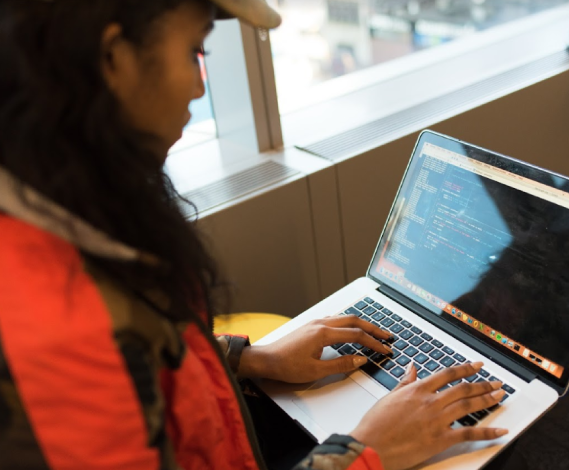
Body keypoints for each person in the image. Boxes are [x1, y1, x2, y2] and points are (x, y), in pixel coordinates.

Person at [0, 1, 510, 469]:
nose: (199, 87)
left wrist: (249, 360)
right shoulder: (62, 337)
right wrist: (366, 453)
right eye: (194, 51)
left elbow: (154, 361)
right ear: (115, 58)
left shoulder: (67, 205)